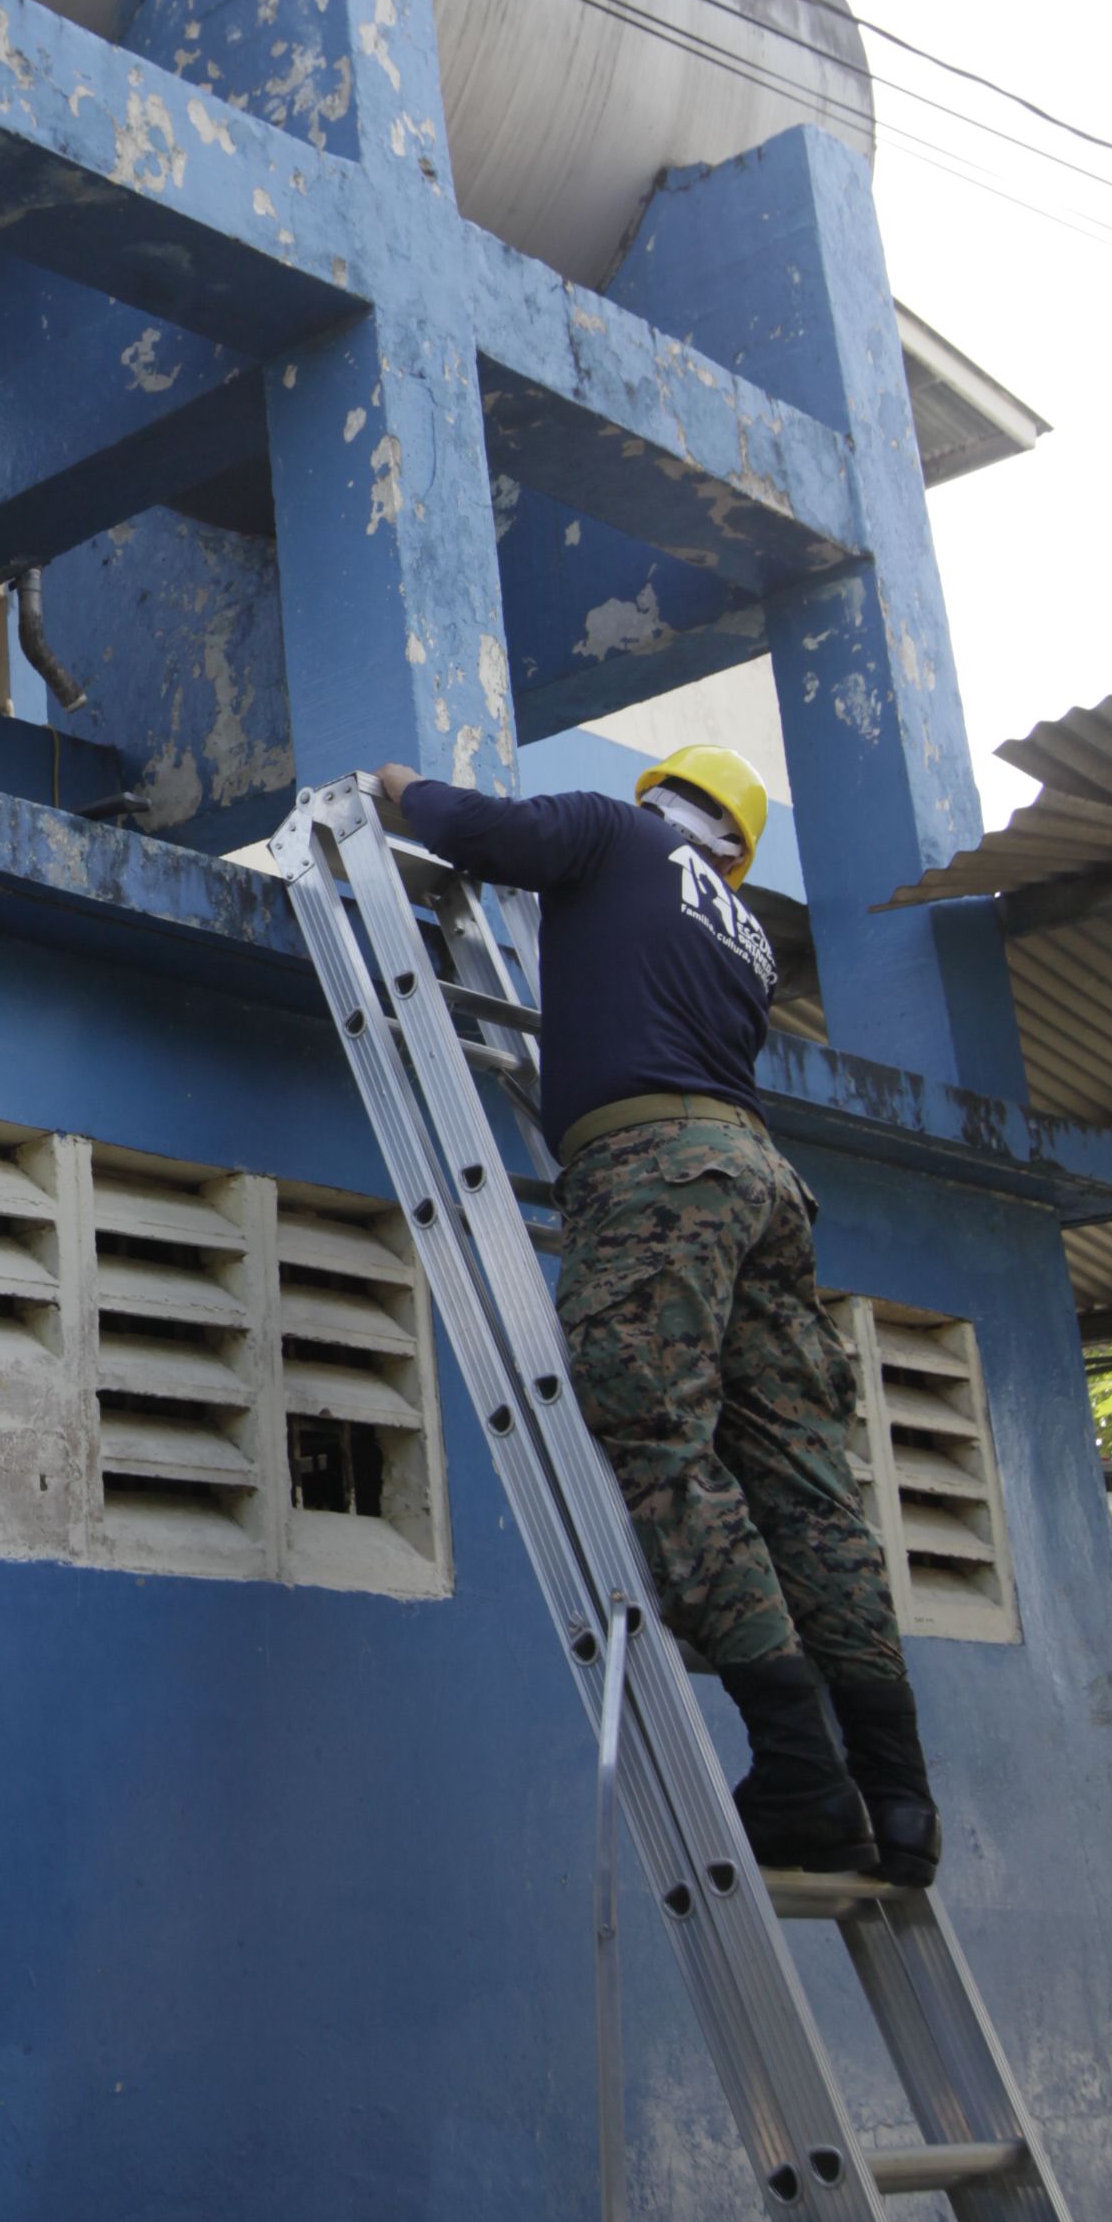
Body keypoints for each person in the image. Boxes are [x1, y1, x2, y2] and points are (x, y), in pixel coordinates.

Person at [375, 744, 941, 1888]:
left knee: (653, 1435)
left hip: (651, 1167)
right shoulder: (744, 937)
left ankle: (796, 1772)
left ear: (661, 803)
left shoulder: (613, 832)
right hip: (762, 1186)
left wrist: (397, 791)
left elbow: (487, 836)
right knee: (804, 1482)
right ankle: (895, 1792)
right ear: (736, 845)